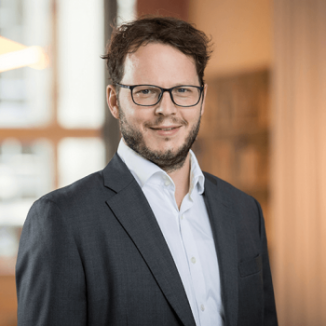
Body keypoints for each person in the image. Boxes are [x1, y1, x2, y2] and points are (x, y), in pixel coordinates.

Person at [16, 16, 278, 326]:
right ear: (114, 101)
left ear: (202, 99)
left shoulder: (244, 211)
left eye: (182, 90)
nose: (167, 109)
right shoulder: (61, 220)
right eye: (146, 91)